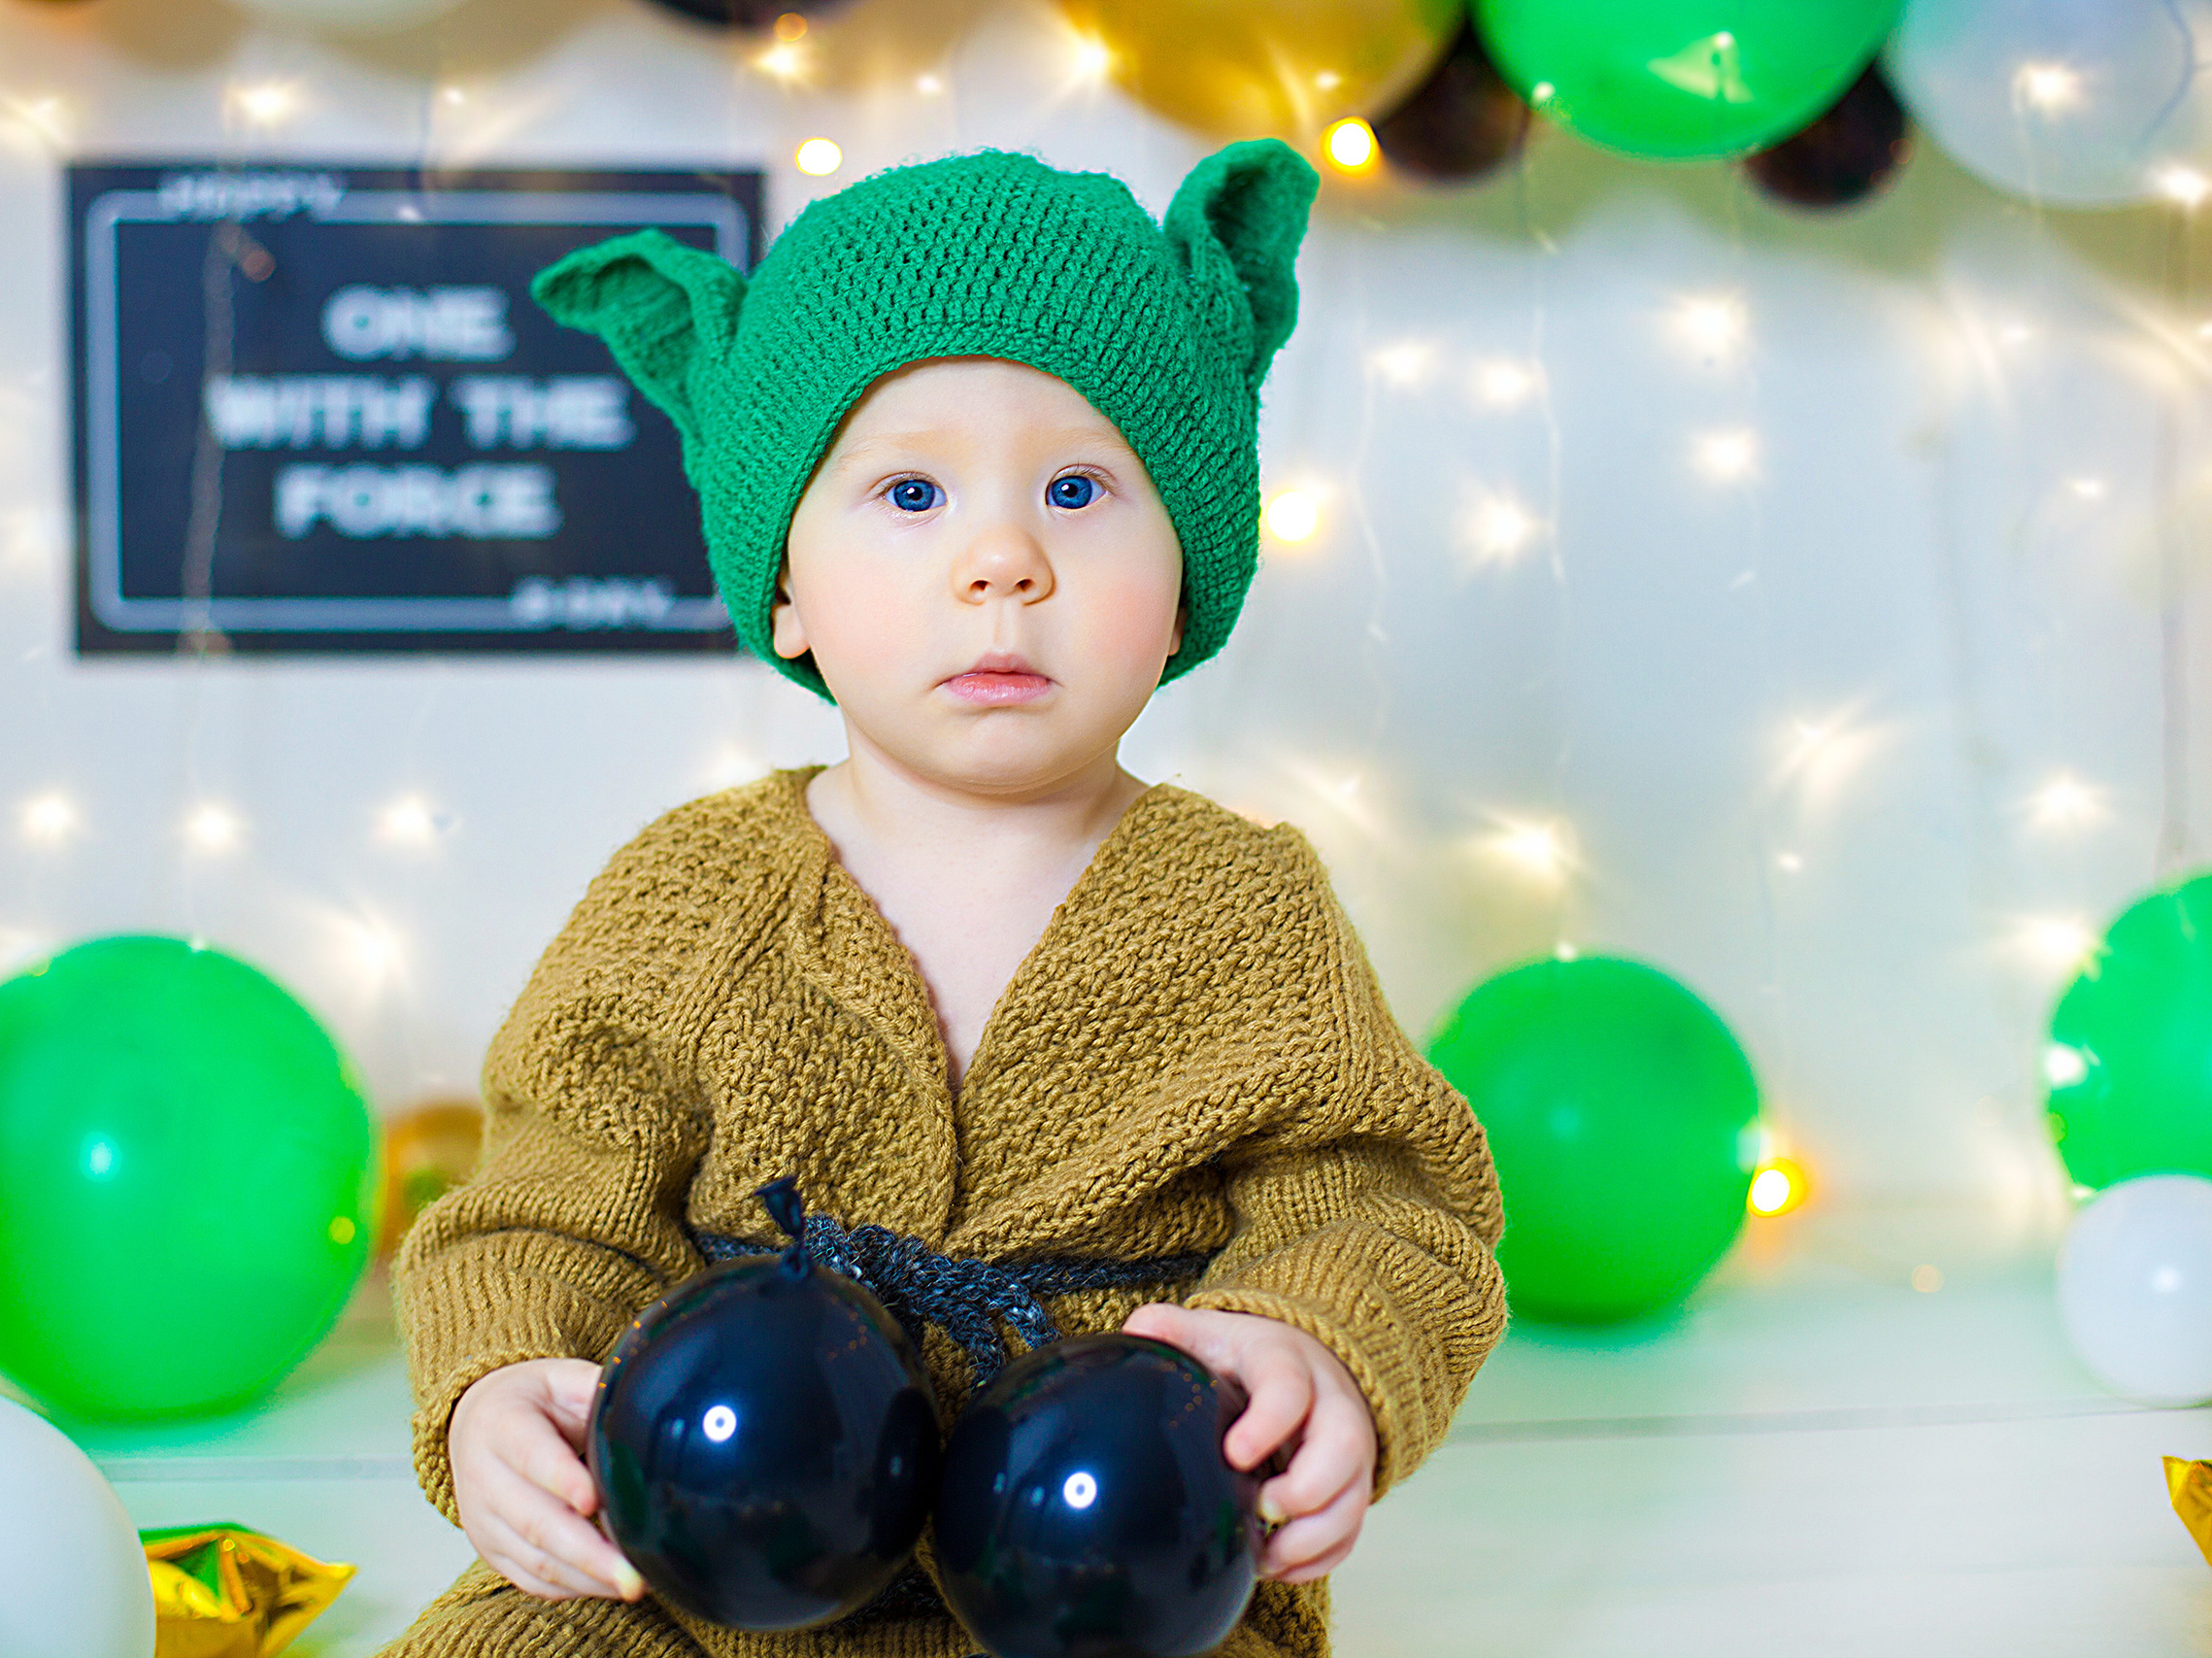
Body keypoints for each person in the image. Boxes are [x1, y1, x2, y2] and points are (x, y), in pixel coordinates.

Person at [384, 139, 1506, 1658]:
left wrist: (1317, 1347)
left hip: (1117, 1578)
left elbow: (1376, 1197)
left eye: (1079, 486)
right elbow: (547, 1204)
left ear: (1187, 575)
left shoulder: (1244, 913)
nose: (1002, 561)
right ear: (784, 582)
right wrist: (504, 1379)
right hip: (698, 1576)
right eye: (910, 490)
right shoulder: (691, 898)